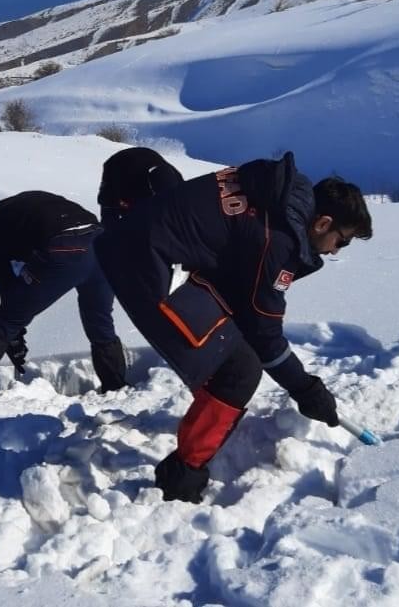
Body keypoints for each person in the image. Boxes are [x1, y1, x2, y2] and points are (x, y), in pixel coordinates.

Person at [94, 152, 372, 502]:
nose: (336, 251)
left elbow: (242, 286)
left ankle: (206, 415)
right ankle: (181, 479)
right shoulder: (278, 240)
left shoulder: (278, 195)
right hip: (143, 265)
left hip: (147, 247)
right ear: (322, 223)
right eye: (341, 240)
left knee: (233, 343)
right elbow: (265, 334)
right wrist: (306, 389)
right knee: (240, 369)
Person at [0, 191, 127, 410]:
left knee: (2, 325)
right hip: (101, 243)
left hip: (64, 249)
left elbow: (8, 288)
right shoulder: (12, 207)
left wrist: (13, 334)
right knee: (100, 323)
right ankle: (117, 389)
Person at [97, 146, 184, 223]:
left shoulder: (178, 186)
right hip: (120, 163)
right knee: (117, 213)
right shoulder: (126, 181)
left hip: (148, 161)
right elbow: (107, 202)